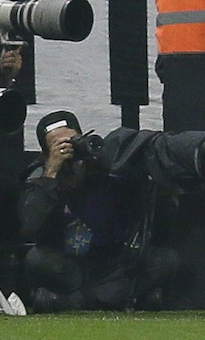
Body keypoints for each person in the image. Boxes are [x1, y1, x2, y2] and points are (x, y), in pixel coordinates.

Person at [20, 110, 179, 312]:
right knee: (37, 259)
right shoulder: (39, 177)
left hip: (113, 260)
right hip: (69, 265)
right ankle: (119, 299)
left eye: (72, 141)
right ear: (45, 153)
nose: (67, 149)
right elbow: (31, 227)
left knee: (165, 260)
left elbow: (149, 215)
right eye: (57, 145)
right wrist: (51, 172)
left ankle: (73, 302)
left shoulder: (107, 167)